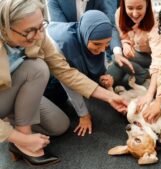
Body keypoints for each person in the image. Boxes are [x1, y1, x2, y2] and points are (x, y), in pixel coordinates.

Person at [0, 0, 127, 166]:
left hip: (14, 92)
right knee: (37, 68)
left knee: (59, 126)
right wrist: (23, 139)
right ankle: (22, 144)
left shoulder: (39, 34)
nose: (39, 36)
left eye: (40, 26)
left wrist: (109, 96)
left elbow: (64, 71)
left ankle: (12, 125)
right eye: (29, 32)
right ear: (5, 27)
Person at [46, 10, 116, 137]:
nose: (102, 50)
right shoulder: (64, 43)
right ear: (85, 34)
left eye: (107, 44)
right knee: (57, 100)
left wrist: (103, 79)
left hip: (65, 76)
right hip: (47, 78)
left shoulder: (95, 40)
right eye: (97, 44)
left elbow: (97, 66)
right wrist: (83, 114)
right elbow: (69, 80)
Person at [106, 0, 161, 108]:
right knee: (107, 79)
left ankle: (143, 74)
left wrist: (149, 95)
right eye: (130, 8)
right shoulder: (119, 13)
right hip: (135, 53)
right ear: (123, 5)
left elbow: (158, 59)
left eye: (139, 8)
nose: (135, 13)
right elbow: (122, 34)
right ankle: (142, 75)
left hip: (152, 57)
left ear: (147, 4)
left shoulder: (155, 19)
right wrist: (125, 43)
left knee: (118, 58)